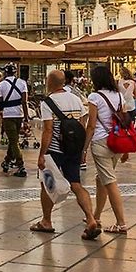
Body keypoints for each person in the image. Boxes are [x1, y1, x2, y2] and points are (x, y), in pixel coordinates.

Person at [27, 69, 98, 239]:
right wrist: (82, 149)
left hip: (55, 150)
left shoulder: (47, 102)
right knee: (76, 184)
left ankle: (46, 221)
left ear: (50, 83)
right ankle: (90, 218)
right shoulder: (75, 99)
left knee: (46, 183)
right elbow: (82, 124)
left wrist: (42, 154)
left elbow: (48, 130)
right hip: (73, 149)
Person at [84, 65, 128, 234]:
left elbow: (91, 125)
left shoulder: (94, 97)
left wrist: (84, 148)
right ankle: (97, 215)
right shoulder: (119, 96)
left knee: (109, 182)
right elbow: (125, 122)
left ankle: (121, 223)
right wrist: (125, 149)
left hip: (101, 142)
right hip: (117, 141)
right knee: (101, 178)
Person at [0, 64, 30, 177]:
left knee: (14, 141)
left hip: (7, 115)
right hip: (19, 114)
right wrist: (26, 117)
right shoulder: (22, 83)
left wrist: (2, 110)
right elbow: (24, 101)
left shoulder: (1, 85)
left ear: (5, 73)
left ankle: (20, 165)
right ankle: (7, 161)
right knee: (13, 139)